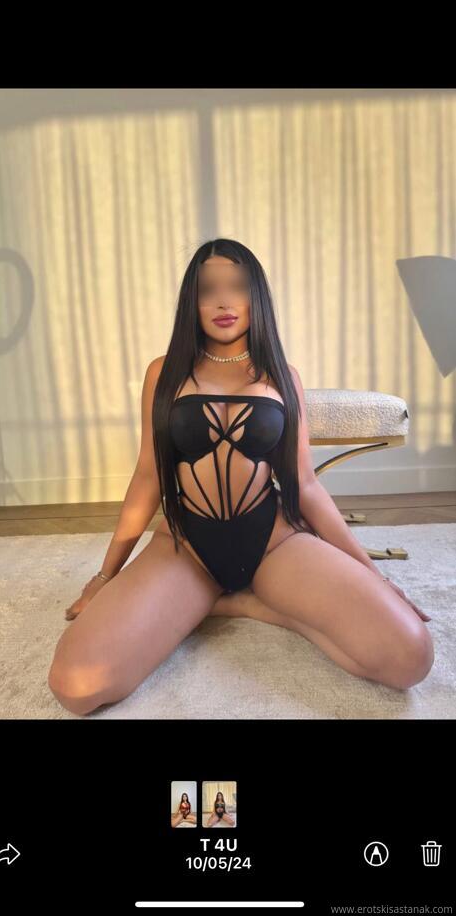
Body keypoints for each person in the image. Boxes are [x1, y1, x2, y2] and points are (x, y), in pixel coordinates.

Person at [48, 238, 434, 715]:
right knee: (75, 685)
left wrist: (374, 576)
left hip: (273, 543)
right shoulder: (163, 373)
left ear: (257, 298)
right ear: (191, 301)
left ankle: (249, 602)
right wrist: (104, 576)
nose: (224, 301)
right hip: (186, 547)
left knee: (410, 655)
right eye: (208, 289)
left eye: (238, 287)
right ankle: (232, 600)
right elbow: (147, 477)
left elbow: (306, 485)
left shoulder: (282, 375)